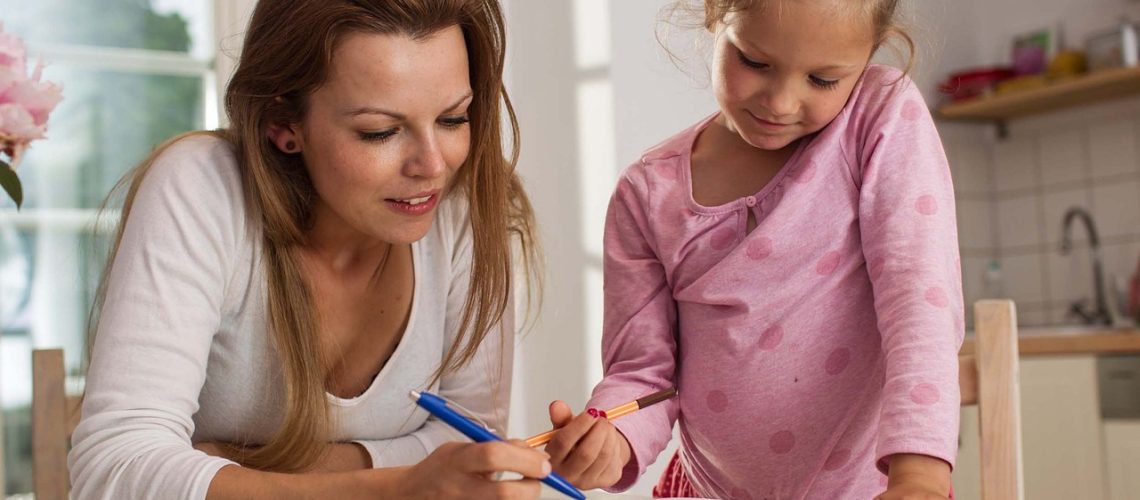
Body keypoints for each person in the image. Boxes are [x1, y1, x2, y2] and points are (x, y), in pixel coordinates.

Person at [67, 1, 550, 498]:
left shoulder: (465, 208)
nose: (432, 166)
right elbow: (113, 470)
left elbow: (471, 446)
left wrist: (236, 463)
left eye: (453, 119)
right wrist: (394, 486)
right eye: (379, 131)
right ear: (284, 124)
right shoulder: (202, 187)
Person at [543, 1, 963, 498]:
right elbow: (642, 374)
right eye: (755, 62)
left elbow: (919, 304)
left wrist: (921, 477)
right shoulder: (647, 192)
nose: (781, 102)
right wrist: (611, 439)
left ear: (869, 53)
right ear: (713, 15)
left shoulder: (878, 116)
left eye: (823, 80)